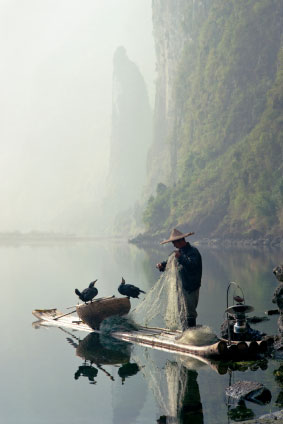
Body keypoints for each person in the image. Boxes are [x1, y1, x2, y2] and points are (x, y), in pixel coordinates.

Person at [156, 228, 202, 328]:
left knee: (190, 312)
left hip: (190, 287)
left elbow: (192, 265)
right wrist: (161, 265)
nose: (173, 245)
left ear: (181, 241)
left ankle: (192, 335)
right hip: (181, 287)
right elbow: (168, 262)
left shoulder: (193, 252)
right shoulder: (179, 252)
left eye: (174, 242)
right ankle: (185, 333)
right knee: (182, 310)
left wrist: (180, 257)